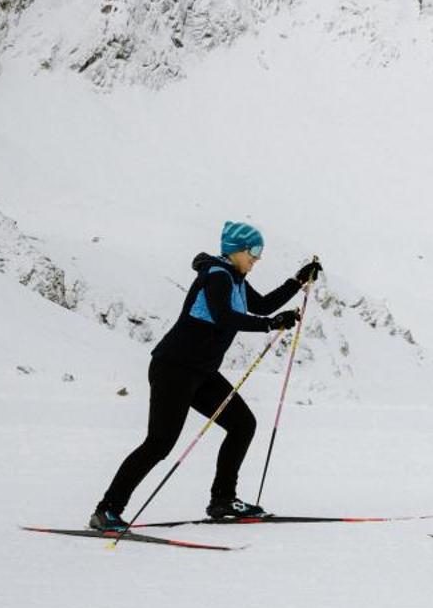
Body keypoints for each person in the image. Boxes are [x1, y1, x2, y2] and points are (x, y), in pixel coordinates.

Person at [89, 221, 320, 531]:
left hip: (202, 372)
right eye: (254, 251)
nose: (257, 258)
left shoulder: (236, 278)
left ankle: (223, 500)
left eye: (260, 252)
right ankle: (107, 510)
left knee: (242, 425)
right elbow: (224, 316)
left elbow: (262, 304)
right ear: (235, 249)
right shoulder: (217, 277)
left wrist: (297, 281)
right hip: (174, 368)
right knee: (159, 443)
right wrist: (268, 324)